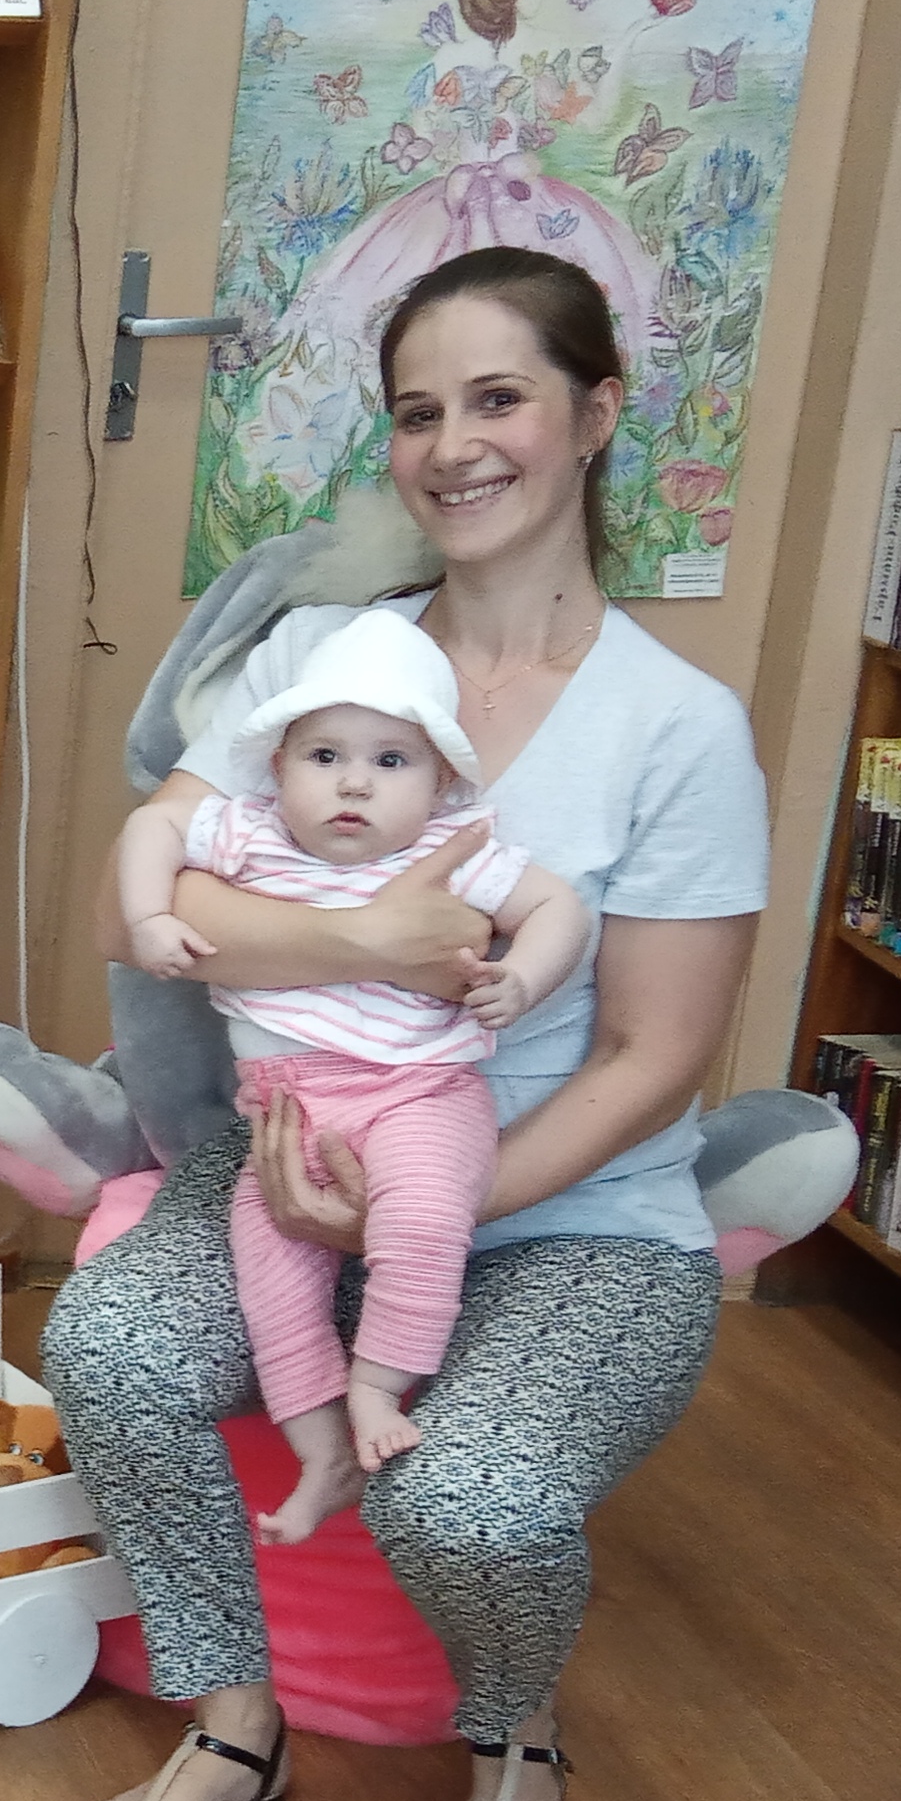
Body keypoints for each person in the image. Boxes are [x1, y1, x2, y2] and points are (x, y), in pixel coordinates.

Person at [48, 245, 768, 1801]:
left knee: (474, 1500)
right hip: (299, 1169)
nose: (454, 447)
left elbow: (655, 1056)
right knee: (112, 1348)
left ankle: (517, 1741)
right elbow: (142, 901)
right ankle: (236, 1724)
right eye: (417, 411)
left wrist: (419, 1212)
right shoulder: (323, 655)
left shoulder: (675, 726)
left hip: (571, 1221)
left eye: (498, 399)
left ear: (596, 413)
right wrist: (363, 939)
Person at [113, 609, 593, 1540]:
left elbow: (557, 907)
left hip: (419, 1095)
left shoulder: (448, 853)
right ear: (278, 765)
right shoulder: (251, 835)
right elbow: (151, 827)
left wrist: (524, 979)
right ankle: (322, 1453)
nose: (354, 783)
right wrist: (148, 919)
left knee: (423, 1220)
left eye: (391, 761)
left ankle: (377, 1388)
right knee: (271, 1284)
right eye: (324, 755)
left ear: (440, 782)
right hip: (285, 1116)